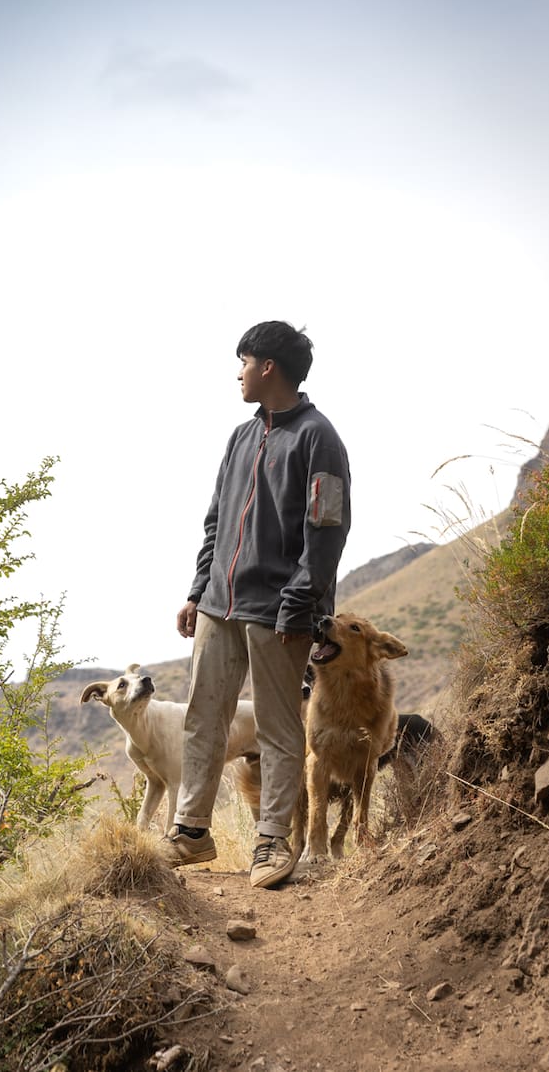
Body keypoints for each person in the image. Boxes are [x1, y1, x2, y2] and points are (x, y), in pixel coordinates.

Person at [162, 320, 351, 888]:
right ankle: (191, 833)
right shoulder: (240, 438)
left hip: (281, 613)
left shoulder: (320, 438)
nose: (237, 373)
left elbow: (327, 530)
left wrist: (299, 604)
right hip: (219, 605)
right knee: (203, 717)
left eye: (243, 362)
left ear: (268, 367)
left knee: (277, 729)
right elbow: (217, 520)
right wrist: (199, 589)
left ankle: (272, 843)